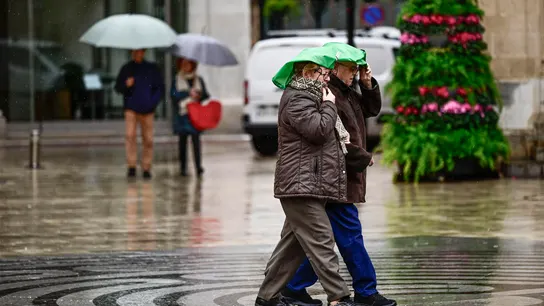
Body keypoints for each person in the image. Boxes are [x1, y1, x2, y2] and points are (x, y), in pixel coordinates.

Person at [281, 50, 397, 306]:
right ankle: (365, 292)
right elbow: (332, 136)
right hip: (336, 177)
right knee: (347, 236)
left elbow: (370, 109)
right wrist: (363, 157)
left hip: (338, 177)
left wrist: (367, 84)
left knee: (322, 241)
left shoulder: (344, 92)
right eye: (351, 69)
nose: (355, 73)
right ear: (334, 68)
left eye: (357, 69)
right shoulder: (327, 95)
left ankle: (292, 287)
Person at [255, 59, 356, 306]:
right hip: (300, 185)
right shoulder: (298, 99)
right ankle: (339, 296)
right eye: (323, 74)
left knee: (292, 247)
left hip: (307, 183)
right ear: (309, 73)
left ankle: (266, 298)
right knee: (322, 238)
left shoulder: (310, 97)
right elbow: (319, 130)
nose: (327, 79)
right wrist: (330, 106)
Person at [115, 49, 164, 179]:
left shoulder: (152, 68)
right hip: (131, 108)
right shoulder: (126, 68)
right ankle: (131, 166)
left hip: (148, 109)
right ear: (132, 52)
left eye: (141, 51)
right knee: (130, 136)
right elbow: (118, 87)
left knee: (148, 139)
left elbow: (159, 88)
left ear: (144, 52)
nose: (138, 53)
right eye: (136, 51)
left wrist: (152, 102)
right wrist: (126, 84)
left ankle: (146, 167)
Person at [171, 58, 209, 177]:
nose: (186, 66)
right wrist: (188, 93)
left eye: (188, 64)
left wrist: (198, 94)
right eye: (183, 64)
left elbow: (206, 95)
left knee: (196, 141)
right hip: (183, 114)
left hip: (196, 114)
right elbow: (173, 95)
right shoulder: (177, 79)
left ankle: (198, 166)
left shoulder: (198, 79)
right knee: (182, 142)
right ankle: (183, 168)